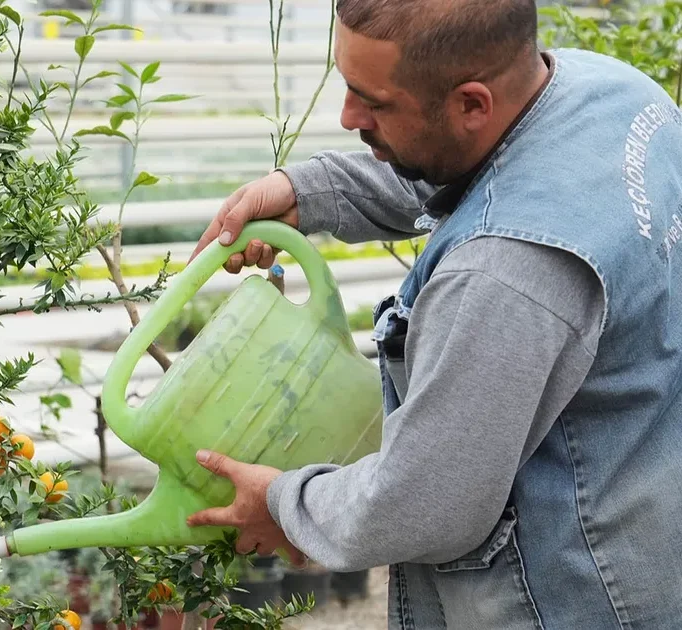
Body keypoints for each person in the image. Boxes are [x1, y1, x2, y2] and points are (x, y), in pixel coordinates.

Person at [183, 0, 682, 627]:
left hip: (568, 600)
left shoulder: (503, 276)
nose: (346, 116)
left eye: (375, 102)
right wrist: (309, 192)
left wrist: (284, 502)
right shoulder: (610, 93)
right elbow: (478, 163)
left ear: (473, 103)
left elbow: (423, 504)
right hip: (649, 533)